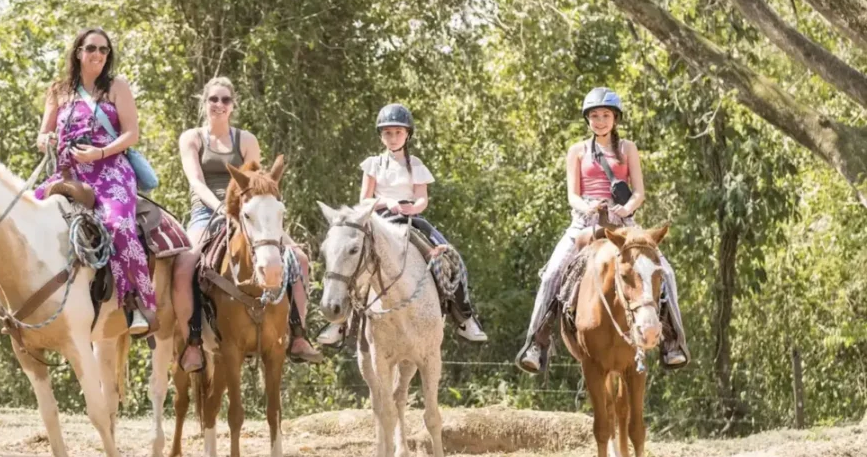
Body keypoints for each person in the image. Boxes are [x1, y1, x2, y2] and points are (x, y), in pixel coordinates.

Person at [515, 87, 689, 373]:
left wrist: (626, 208)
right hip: (585, 223)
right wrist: (587, 207)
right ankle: (536, 343)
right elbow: (572, 194)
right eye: (594, 115)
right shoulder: (577, 151)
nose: (599, 121)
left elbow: (639, 192)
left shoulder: (627, 149)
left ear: (615, 118)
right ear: (588, 119)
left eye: (605, 115)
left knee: (665, 272)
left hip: (624, 224)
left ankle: (673, 342)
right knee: (551, 274)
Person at [172, 76, 322, 372]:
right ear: (204, 103)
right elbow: (196, 183)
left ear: (233, 106)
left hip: (249, 214)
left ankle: (297, 334)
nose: (219, 105)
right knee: (184, 266)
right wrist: (221, 209)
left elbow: (256, 184)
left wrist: (242, 214)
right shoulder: (192, 138)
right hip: (208, 213)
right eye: (213, 99)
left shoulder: (246, 140)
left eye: (225, 100)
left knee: (300, 260)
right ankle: (192, 342)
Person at [318, 103, 488, 346]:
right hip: (377, 219)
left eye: (398, 132)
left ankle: (464, 318)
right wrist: (387, 202)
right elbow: (365, 199)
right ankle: (338, 323)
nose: (393, 137)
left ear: (407, 134)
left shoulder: (415, 165)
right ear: (381, 136)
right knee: (352, 259)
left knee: (448, 256)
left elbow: (422, 198)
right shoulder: (373, 164)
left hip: (409, 219)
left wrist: (412, 207)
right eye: (388, 133)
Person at [35, 28, 156, 335]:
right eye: (91, 48)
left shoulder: (116, 87)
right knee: (28, 213)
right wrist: (47, 139)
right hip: (68, 172)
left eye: (104, 50)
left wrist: (100, 152)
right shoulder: (58, 91)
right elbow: (42, 135)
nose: (98, 55)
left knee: (118, 225)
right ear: (78, 52)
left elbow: (132, 134)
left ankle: (135, 303)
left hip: (111, 170)